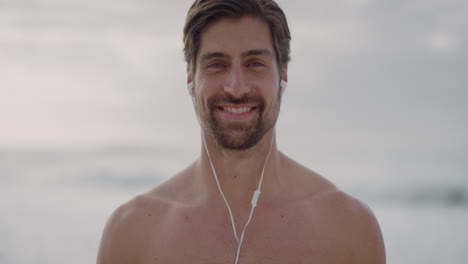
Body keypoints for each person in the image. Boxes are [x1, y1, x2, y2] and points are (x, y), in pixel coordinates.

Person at [97, 0, 386, 263]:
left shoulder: (348, 229)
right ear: (190, 76)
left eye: (255, 64)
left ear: (282, 73)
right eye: (217, 64)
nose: (236, 87)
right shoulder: (132, 233)